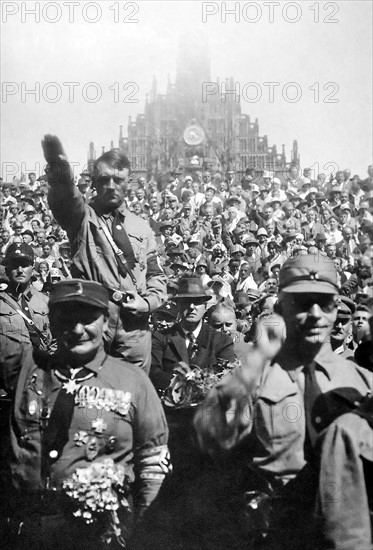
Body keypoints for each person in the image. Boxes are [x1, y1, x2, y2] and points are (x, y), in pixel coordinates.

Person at [194, 253, 373, 550]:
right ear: (281, 307)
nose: (315, 313)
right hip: (274, 531)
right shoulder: (254, 376)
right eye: (302, 303)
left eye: (325, 302)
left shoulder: (363, 381)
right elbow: (210, 439)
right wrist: (256, 361)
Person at [0, 279, 170, 550]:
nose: (77, 330)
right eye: (66, 319)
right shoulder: (27, 367)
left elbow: (153, 462)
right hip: (27, 531)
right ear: (52, 321)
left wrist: (140, 528)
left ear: (105, 321)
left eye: (88, 319)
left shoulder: (133, 381)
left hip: (100, 535)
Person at [42, 135, 167, 373]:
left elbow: (155, 273)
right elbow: (65, 196)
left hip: (134, 326)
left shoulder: (142, 226)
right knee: (88, 385)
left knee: (132, 390)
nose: (111, 185)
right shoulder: (82, 218)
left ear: (128, 182)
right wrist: (60, 170)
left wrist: (147, 302)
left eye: (118, 179)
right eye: (104, 179)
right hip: (93, 318)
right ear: (94, 184)